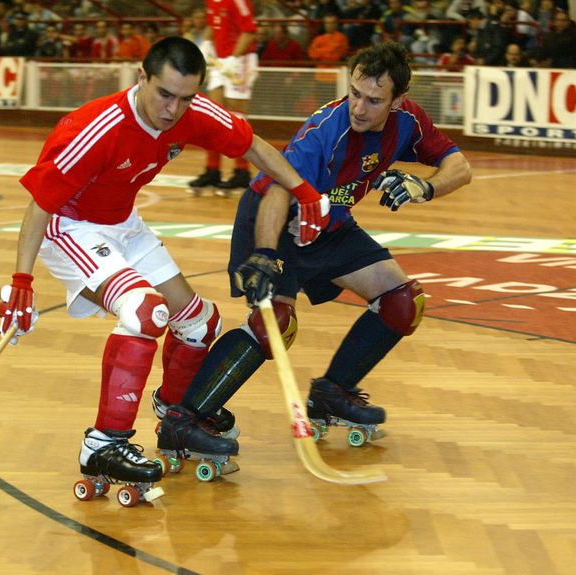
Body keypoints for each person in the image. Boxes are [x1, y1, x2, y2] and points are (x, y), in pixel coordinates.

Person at [0, 36, 319, 501]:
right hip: (70, 227)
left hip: (124, 223)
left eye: (185, 98)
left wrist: (305, 192)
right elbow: (39, 207)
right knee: (147, 313)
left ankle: (176, 417)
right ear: (141, 77)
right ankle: (103, 444)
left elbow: (255, 147)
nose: (172, 109)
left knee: (198, 322)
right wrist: (22, 281)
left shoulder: (193, 113)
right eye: (164, 94)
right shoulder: (95, 128)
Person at [157, 41, 472, 454]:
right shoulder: (326, 130)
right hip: (278, 218)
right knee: (276, 326)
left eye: (373, 100)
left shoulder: (409, 122)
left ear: (398, 101)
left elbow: (460, 167)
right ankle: (185, 418)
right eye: (354, 93)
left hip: (331, 227)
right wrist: (266, 254)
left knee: (402, 302)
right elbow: (276, 191)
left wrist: (426, 187)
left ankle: (332, 392)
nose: (359, 107)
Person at [188, 0, 259, 194]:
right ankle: (213, 170)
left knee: (237, 116)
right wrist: (204, 44)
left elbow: (249, 31)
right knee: (214, 115)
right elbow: (214, 25)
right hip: (221, 60)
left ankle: (242, 172)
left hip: (241, 59)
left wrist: (234, 58)